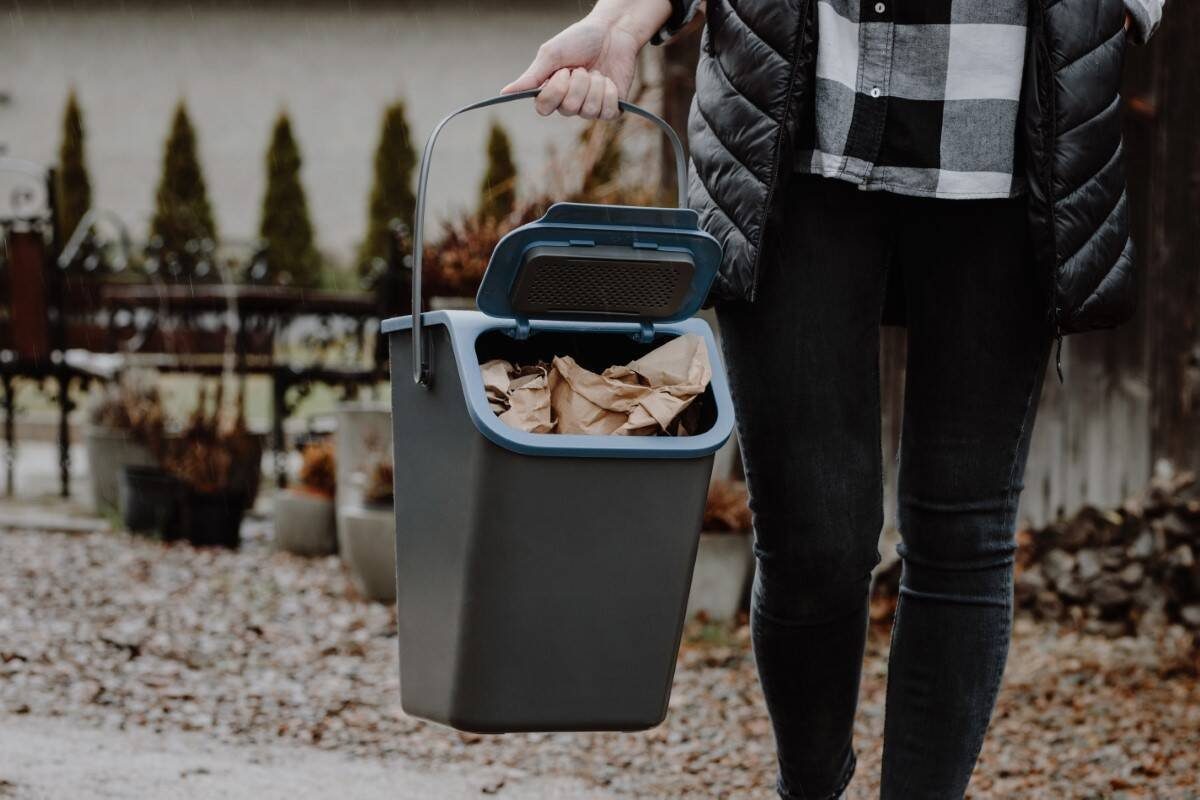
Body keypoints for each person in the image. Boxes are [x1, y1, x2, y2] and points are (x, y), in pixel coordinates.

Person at [505, 0, 1164, 798]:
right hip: (796, 112)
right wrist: (619, 22)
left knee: (962, 529)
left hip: (1002, 114)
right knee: (813, 537)